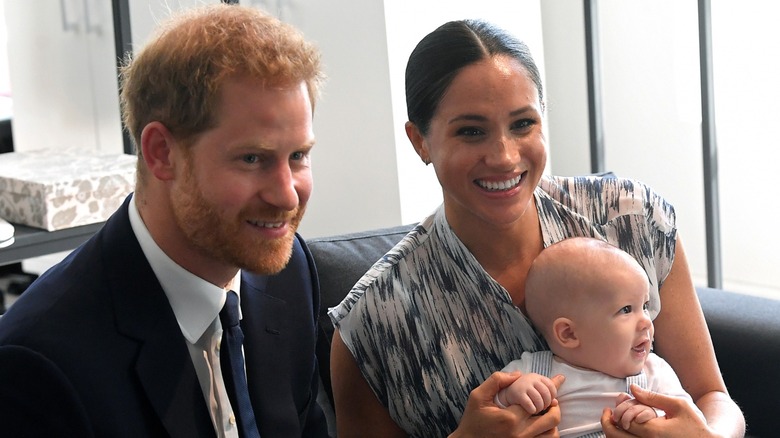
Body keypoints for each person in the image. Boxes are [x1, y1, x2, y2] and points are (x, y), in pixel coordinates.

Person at [329, 18, 745, 438]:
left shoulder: (631, 220)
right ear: (420, 141)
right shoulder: (373, 323)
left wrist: (709, 437)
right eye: (471, 131)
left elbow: (712, 395)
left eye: (523, 124)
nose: (505, 157)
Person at [0, 4, 328, 437]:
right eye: (252, 158)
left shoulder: (289, 273)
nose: (287, 195)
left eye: (298, 156)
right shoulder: (38, 364)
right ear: (161, 153)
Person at [494, 237, 705, 436]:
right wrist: (510, 395)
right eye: (626, 310)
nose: (646, 322)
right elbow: (490, 416)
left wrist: (654, 416)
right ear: (569, 333)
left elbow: (689, 422)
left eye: (645, 306)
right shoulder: (531, 372)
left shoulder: (654, 372)